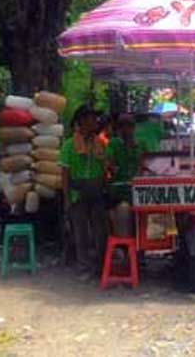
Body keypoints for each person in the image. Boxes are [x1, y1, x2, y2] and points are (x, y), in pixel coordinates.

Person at [59, 105, 109, 279]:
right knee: (81, 233)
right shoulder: (69, 145)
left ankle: (102, 266)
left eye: (95, 119)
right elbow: (64, 173)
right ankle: (84, 267)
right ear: (82, 122)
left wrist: (103, 161)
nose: (95, 122)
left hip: (96, 190)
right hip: (78, 192)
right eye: (91, 118)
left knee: (100, 231)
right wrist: (66, 199)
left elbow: (106, 169)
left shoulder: (100, 143)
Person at [105, 114, 148, 237]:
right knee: (123, 209)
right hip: (119, 189)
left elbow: (145, 162)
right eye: (123, 127)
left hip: (138, 188)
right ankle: (125, 244)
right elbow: (108, 162)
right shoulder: (114, 144)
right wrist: (112, 167)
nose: (126, 130)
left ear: (133, 128)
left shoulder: (140, 144)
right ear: (119, 129)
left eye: (129, 127)